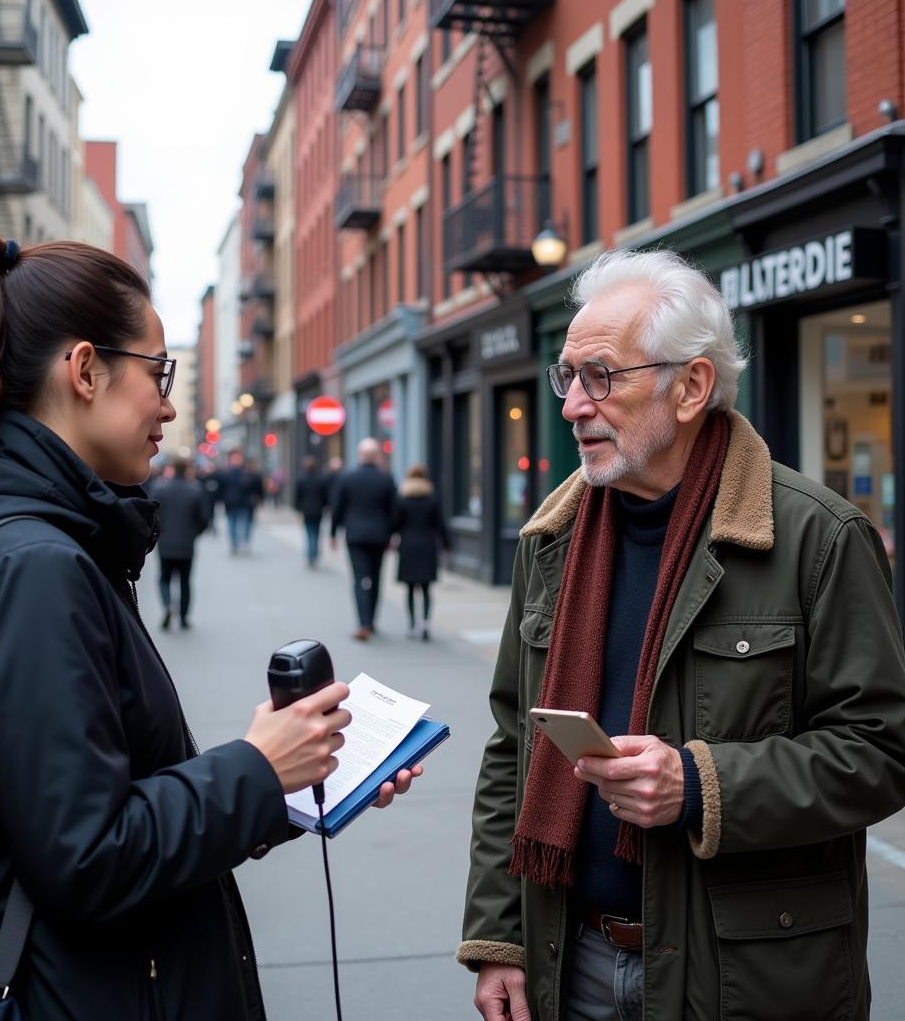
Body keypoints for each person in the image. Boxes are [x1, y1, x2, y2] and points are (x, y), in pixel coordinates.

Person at [0, 235, 419, 1020]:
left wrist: (286, 774)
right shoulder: (32, 564)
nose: (169, 404)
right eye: (158, 372)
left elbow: (83, 810)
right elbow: (87, 857)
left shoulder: (13, 534)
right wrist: (257, 768)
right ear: (87, 369)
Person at [459, 248, 905, 1021]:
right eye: (567, 376)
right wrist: (500, 939)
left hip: (747, 977)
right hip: (573, 962)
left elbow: (881, 750)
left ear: (692, 386)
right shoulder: (551, 539)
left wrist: (701, 786)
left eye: (601, 376)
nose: (571, 405)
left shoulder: (818, 537)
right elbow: (512, 750)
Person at [330, 438, 397, 641]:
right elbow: (394, 510)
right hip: (379, 535)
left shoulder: (348, 478)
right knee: (375, 578)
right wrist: (392, 534)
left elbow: (337, 507)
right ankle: (371, 621)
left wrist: (333, 533)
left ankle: (363, 623)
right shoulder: (386, 478)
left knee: (359, 579)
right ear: (377, 456)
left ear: (360, 456)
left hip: (356, 535)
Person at [152, 457, 210, 630]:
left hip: (165, 543)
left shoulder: (160, 489)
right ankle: (183, 617)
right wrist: (193, 533)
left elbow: (151, 515)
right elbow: (203, 519)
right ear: (187, 469)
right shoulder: (195, 490)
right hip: (186, 543)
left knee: (164, 578)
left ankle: (167, 604)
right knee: (185, 581)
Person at [392, 464, 450, 640]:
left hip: (408, 545)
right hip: (427, 546)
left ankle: (412, 625)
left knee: (410, 588)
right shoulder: (432, 499)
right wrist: (447, 545)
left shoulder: (402, 500)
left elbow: (395, 524)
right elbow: (440, 525)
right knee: (425, 588)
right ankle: (425, 623)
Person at [218, 449, 255, 554]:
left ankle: (244, 542)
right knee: (232, 523)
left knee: (245, 523)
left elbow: (253, 486)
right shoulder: (226, 473)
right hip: (231, 502)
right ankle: (234, 543)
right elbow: (221, 488)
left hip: (244, 502)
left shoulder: (246, 472)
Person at [295, 455, 329, 567]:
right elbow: (325, 495)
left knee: (309, 532)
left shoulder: (302, 479)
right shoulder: (321, 479)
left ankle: (311, 554)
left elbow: (298, 496)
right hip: (318, 510)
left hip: (306, 510)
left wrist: (298, 508)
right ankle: (314, 553)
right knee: (316, 532)